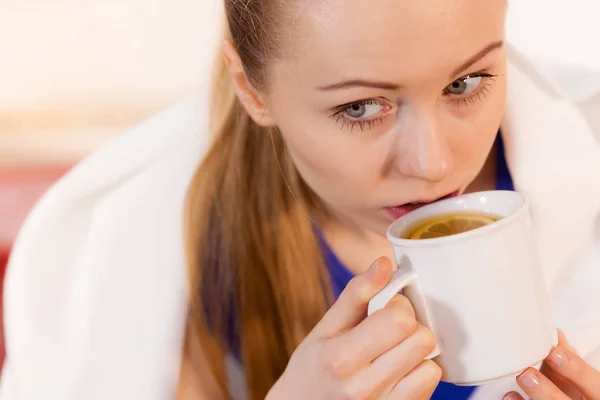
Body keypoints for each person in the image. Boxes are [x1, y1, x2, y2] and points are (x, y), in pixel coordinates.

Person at [1, 0, 600, 399]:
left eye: (465, 83)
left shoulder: (581, 195)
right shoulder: (162, 260)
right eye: (361, 107)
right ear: (252, 90)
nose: (434, 165)